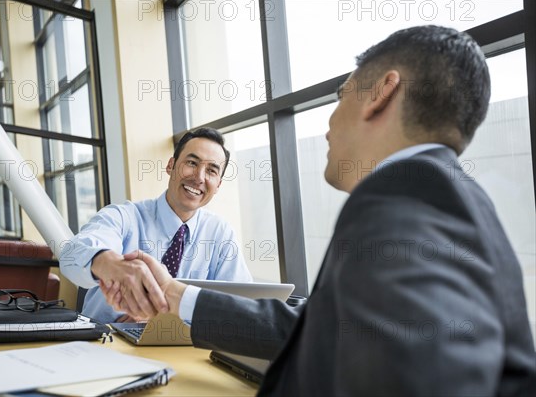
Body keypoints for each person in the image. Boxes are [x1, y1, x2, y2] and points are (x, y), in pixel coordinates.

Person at [103, 25, 536, 395]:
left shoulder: (402, 198)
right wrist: (176, 296)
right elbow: (323, 331)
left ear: (382, 93)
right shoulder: (449, 196)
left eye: (341, 94)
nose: (329, 122)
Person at [59, 128, 252, 323]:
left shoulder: (220, 233)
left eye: (211, 170)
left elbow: (242, 303)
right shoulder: (124, 216)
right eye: (192, 163)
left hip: (183, 348)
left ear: (218, 184)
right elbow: (70, 256)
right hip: (108, 342)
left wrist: (160, 322)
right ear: (171, 165)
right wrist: (111, 265)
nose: (200, 177)